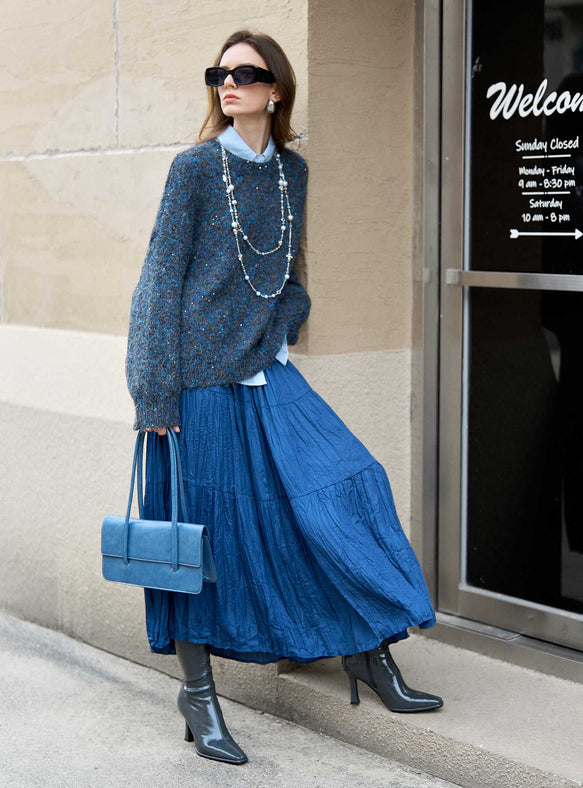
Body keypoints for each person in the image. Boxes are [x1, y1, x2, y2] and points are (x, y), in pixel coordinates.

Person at [125, 29, 443, 767]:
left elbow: (292, 270)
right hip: (196, 384)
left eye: (245, 73)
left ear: (277, 89)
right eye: (219, 74)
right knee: (201, 541)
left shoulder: (291, 173)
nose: (228, 84)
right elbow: (157, 284)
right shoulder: (195, 170)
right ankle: (198, 695)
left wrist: (287, 318)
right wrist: (154, 395)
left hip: (268, 371)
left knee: (347, 482)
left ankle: (368, 651)